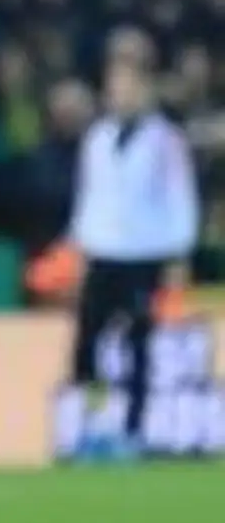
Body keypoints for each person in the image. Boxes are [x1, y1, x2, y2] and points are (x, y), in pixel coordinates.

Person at [64, 40, 200, 462]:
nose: (120, 95)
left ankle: (134, 431)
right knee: (86, 344)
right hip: (103, 249)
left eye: (129, 87)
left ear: (145, 91)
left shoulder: (165, 140)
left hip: (146, 251)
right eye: (115, 87)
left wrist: (179, 252)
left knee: (139, 345)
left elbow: (181, 196)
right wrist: (79, 243)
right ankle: (91, 422)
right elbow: (88, 195)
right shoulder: (98, 138)